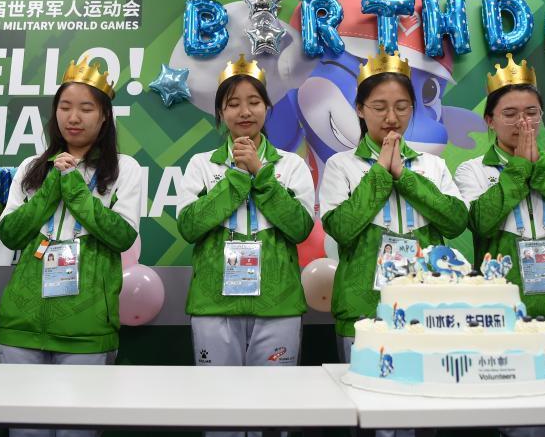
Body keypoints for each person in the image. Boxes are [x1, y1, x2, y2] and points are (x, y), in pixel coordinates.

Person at [455, 54, 545, 437]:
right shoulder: (472, 170)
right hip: (506, 324)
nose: (523, 123)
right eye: (510, 114)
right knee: (523, 429)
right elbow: (481, 222)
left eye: (532, 113)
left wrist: (542, 173)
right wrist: (520, 168)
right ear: (489, 120)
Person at [0, 56, 141, 437]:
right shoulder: (32, 166)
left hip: (86, 326)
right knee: (24, 432)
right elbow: (9, 233)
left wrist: (73, 186)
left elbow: (122, 235)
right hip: (22, 324)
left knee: (78, 431)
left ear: (104, 116)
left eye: (86, 108)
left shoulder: (124, 169)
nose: (73, 117)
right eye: (65, 107)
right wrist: (50, 188)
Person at [177, 55, 315, 437]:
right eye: (233, 103)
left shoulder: (291, 165)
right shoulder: (201, 165)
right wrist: (238, 177)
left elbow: (300, 227)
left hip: (277, 305)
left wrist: (261, 174)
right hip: (213, 304)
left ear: (267, 108)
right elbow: (189, 226)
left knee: (272, 413)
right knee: (219, 412)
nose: (244, 111)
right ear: (220, 112)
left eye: (254, 101)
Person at [319, 47, 467, 361]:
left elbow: (456, 222)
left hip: (425, 308)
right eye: (379, 107)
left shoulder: (432, 165)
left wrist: (405, 176)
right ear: (360, 109)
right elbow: (341, 228)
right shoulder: (340, 165)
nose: (391, 118)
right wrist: (381, 173)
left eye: (402, 107)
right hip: (362, 309)